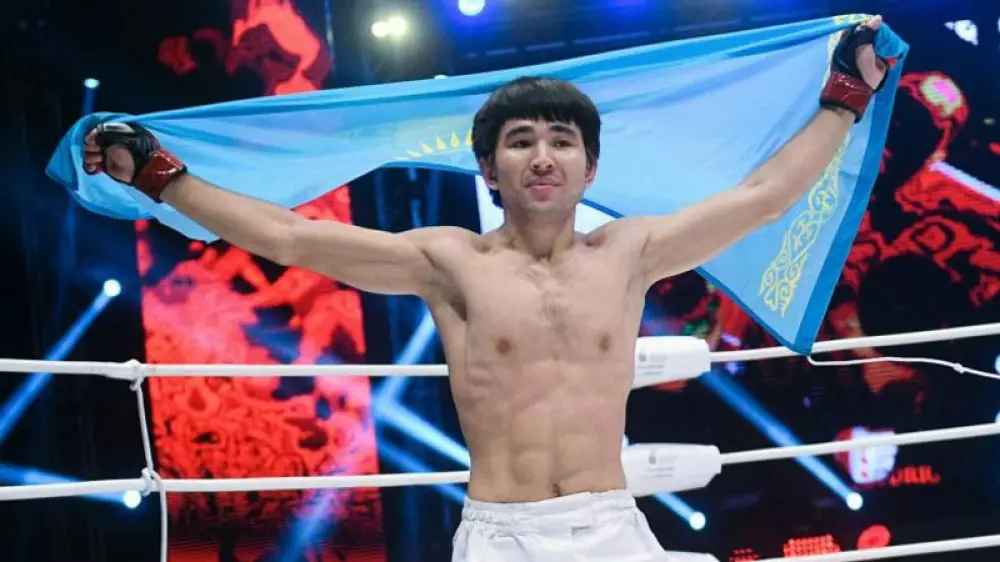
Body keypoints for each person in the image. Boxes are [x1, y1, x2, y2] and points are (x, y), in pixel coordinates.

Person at [83, 16, 889, 562]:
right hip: (503, 535)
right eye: (520, 141)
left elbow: (764, 196)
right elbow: (289, 237)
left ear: (590, 168)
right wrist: (160, 176)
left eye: (561, 141)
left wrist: (846, 97)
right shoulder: (449, 261)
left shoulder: (631, 251)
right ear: (488, 169)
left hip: (613, 526)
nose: (542, 157)